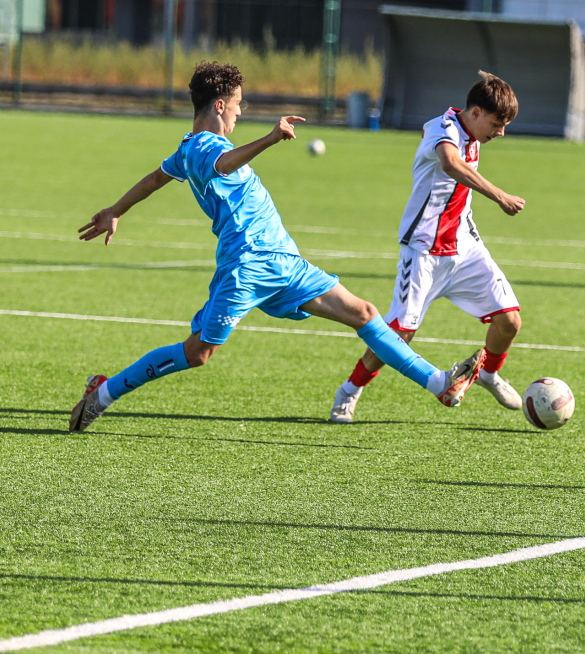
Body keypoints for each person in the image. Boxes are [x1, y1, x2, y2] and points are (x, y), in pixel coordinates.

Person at [69, 62, 484, 432]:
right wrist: (268, 139)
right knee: (198, 353)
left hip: (283, 260)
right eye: (237, 105)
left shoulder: (185, 148)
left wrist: (116, 209)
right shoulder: (205, 148)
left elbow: (155, 178)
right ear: (218, 106)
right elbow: (223, 165)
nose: (238, 112)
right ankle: (103, 394)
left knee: (364, 313)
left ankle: (440, 385)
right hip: (246, 265)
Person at [330, 71, 525, 424]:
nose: (501, 132)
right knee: (399, 333)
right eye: (497, 123)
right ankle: (349, 390)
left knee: (510, 321)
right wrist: (499, 195)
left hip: (464, 247)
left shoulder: (475, 133)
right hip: (422, 251)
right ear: (476, 112)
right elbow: (451, 165)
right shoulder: (442, 127)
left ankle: (488, 374)